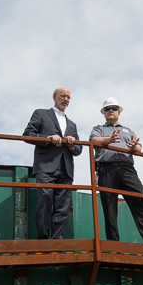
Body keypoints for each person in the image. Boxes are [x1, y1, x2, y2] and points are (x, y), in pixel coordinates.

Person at [89, 97, 143, 246]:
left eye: (114, 108)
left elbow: (138, 147)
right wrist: (107, 140)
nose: (111, 111)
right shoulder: (99, 129)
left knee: (141, 199)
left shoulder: (128, 130)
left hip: (127, 169)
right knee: (109, 208)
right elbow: (93, 141)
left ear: (119, 111)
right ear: (104, 113)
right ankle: (113, 244)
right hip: (106, 169)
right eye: (107, 109)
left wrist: (134, 148)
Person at [22, 87, 82, 239]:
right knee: (45, 201)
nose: (66, 99)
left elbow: (79, 149)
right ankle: (43, 239)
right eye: (63, 96)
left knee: (62, 207)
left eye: (69, 97)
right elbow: (28, 135)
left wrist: (72, 144)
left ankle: (57, 241)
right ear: (54, 97)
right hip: (46, 166)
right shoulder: (41, 113)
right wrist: (47, 138)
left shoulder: (72, 125)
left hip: (66, 169)